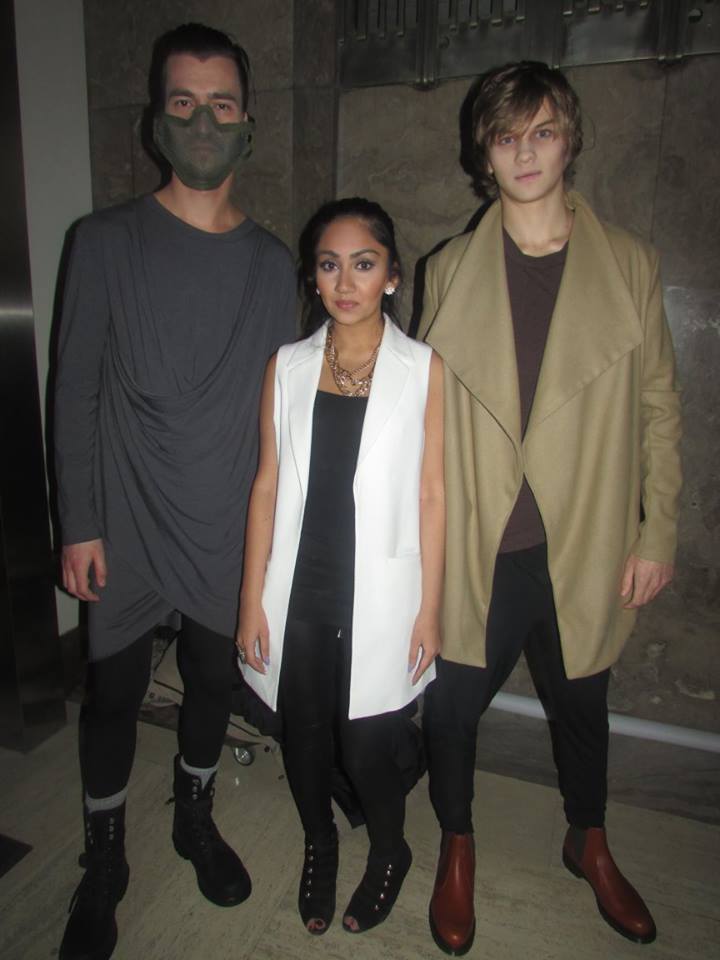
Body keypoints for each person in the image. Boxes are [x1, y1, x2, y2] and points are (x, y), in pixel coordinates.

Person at [418, 61, 682, 955]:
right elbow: (424, 420)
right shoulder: (448, 269)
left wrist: (657, 530)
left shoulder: (631, 265)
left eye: (542, 132)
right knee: (450, 707)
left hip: (584, 537)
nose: (524, 152)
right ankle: (458, 842)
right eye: (506, 136)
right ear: (483, 153)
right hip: (480, 541)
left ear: (570, 141)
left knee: (582, 704)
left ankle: (588, 839)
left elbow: (659, 409)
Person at [54, 23, 296, 960]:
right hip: (123, 514)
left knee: (210, 680)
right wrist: (78, 521)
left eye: (222, 104)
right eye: (184, 102)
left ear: (248, 123)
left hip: (225, 521)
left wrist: (276, 541)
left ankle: (194, 816)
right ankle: (104, 858)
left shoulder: (273, 264)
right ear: (157, 119)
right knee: (114, 692)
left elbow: (277, 414)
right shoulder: (102, 241)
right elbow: (73, 389)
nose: (203, 122)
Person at [236, 197, 445, 936]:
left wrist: (430, 609)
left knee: (366, 743)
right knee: (303, 733)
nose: (346, 281)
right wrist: (250, 600)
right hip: (298, 587)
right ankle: (319, 842)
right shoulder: (287, 366)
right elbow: (266, 485)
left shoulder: (423, 369)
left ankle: (390, 850)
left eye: (364, 264)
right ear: (314, 277)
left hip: (381, 592)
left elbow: (432, 493)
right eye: (330, 265)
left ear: (391, 275)